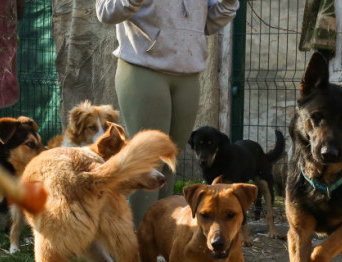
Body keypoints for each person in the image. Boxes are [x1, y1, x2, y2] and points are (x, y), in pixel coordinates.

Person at [96, 0, 240, 225]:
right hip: (143, 67)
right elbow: (105, 11)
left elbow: (209, 22)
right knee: (149, 158)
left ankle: (160, 238)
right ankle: (134, 241)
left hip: (188, 72)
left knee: (170, 156)